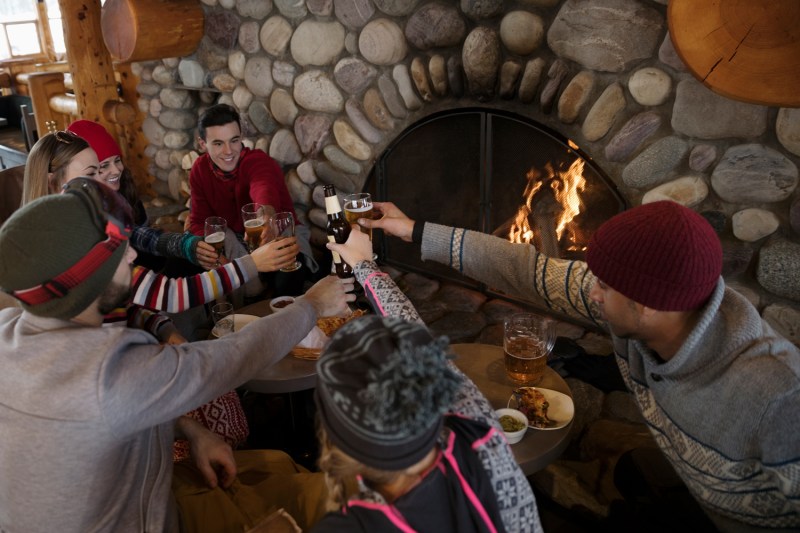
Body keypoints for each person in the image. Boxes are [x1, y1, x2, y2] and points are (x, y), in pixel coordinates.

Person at [358, 199, 800, 531]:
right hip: (697, 487)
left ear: (645, 304)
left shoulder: (778, 396)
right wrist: (412, 230)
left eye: (603, 286)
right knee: (632, 472)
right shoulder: (656, 311)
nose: (591, 293)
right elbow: (527, 270)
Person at [0, 180, 354, 532]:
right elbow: (230, 359)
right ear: (87, 278)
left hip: (159, 493)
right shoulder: (107, 370)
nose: (133, 255)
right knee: (343, 497)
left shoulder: (9, 328)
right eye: (119, 252)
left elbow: (105, 414)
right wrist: (311, 305)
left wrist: (189, 429)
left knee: (278, 464)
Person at [316, 227, 542, 532]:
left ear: (338, 443)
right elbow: (415, 333)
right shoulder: (478, 428)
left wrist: (361, 265)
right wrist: (364, 265)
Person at [22, 129, 218, 270]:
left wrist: (185, 245)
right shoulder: (56, 246)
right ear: (52, 182)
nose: (113, 172)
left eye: (117, 161)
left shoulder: (93, 211)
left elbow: (138, 235)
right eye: (95, 171)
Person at [188, 103, 316, 296]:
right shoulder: (199, 170)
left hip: (278, 233)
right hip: (235, 244)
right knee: (191, 263)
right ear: (202, 144)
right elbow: (198, 221)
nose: (229, 151)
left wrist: (266, 217)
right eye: (218, 143)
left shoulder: (256, 160)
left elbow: (263, 187)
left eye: (234, 140)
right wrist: (207, 249)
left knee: (288, 269)